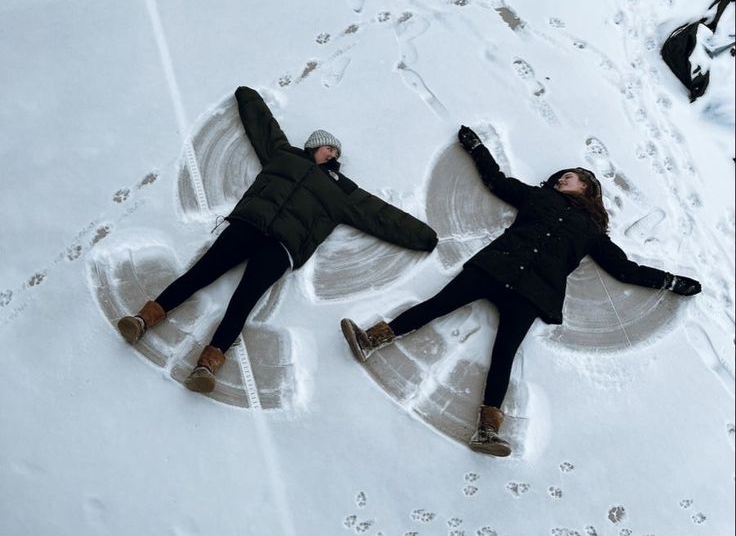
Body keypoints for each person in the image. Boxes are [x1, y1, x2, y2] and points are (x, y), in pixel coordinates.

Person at [340, 125, 701, 457]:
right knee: (437, 305)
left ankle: (487, 430)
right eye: (560, 177)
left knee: (504, 355)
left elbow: (624, 270)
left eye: (569, 177)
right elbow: (495, 181)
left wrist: (671, 282)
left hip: (533, 292)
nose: (561, 180)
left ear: (587, 187)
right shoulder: (537, 197)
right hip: (495, 267)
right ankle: (372, 340)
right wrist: (477, 147)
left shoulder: (590, 231)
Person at [117, 86, 438, 393]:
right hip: (248, 225)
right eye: (330, 147)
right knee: (199, 275)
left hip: (281, 248)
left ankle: (207, 366)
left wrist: (424, 237)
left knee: (243, 302)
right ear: (315, 145)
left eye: (337, 152)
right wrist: (248, 96)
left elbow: (381, 216)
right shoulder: (283, 155)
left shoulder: (343, 189)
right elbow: (264, 127)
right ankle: (143, 320)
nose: (335, 153)